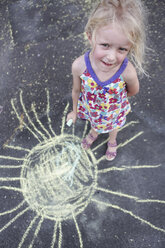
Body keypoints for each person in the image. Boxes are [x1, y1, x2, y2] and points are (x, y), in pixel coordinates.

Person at [67, 0, 147, 161]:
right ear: (90, 36)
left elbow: (133, 90)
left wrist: (114, 102)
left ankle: (112, 141)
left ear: (130, 47)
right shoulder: (79, 66)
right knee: (95, 123)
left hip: (113, 111)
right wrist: (75, 111)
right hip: (92, 109)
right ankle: (94, 133)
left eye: (122, 49)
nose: (111, 56)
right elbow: (76, 90)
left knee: (113, 127)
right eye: (105, 45)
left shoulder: (127, 72)